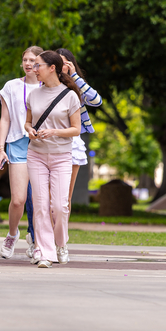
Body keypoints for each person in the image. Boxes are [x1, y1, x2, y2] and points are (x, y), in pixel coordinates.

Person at [25, 51, 82, 268]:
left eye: (37, 65)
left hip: (61, 156)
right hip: (36, 154)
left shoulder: (70, 96)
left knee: (59, 206)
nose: (33, 68)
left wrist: (55, 133)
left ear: (52, 68)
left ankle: (61, 243)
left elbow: (76, 129)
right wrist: (30, 130)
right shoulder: (33, 94)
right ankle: (44, 253)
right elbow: (27, 122)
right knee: (40, 205)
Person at [0, 46, 43, 259]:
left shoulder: (49, 87)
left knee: (40, 200)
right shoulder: (12, 86)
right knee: (18, 199)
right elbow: (5, 119)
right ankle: (12, 235)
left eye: (32, 60)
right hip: (17, 144)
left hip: (42, 146)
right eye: (24, 59)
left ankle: (37, 242)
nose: (27, 63)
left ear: (40, 63)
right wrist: (1, 148)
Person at [55, 48, 103, 210]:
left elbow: (97, 101)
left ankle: (60, 235)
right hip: (50, 140)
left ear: (70, 65)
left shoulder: (76, 88)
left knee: (65, 198)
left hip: (72, 140)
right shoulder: (45, 86)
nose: (59, 67)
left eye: (64, 63)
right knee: (48, 196)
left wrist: (75, 77)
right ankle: (44, 234)